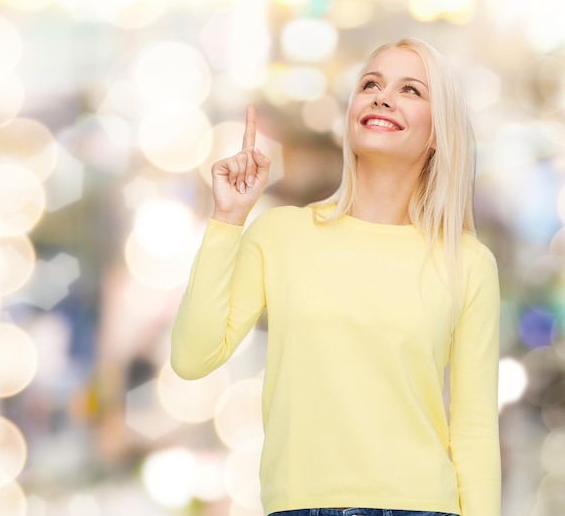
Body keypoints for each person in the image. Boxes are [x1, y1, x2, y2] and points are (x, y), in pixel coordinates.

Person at [170, 38, 501, 516]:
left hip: (422, 507)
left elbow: (473, 429)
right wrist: (227, 219)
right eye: (371, 84)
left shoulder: (466, 262)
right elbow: (192, 357)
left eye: (410, 89)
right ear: (352, 113)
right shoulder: (279, 234)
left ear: (438, 132)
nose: (382, 97)